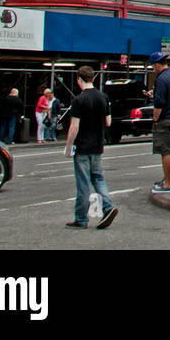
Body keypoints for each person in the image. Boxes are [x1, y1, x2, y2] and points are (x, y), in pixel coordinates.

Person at [63, 66, 118, 229]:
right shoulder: (103, 97)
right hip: (98, 145)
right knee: (98, 178)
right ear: (93, 79)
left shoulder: (79, 100)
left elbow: (74, 126)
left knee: (83, 182)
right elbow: (108, 122)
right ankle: (108, 207)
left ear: (79, 79)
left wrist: (68, 146)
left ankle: (81, 218)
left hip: (83, 146)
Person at [149, 52, 170, 194]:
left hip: (166, 119)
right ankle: (169, 179)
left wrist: (155, 120)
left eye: (152, 66)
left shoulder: (161, 79)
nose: (153, 69)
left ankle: (167, 183)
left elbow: (159, 103)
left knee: (165, 152)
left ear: (156, 65)